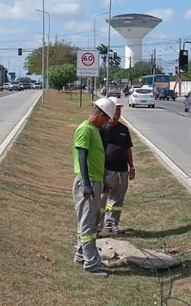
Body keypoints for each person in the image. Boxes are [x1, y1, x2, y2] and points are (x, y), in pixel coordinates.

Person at [72, 97, 116, 278]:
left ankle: (80, 255)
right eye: (106, 119)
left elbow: (96, 158)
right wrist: (87, 185)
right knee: (88, 223)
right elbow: (82, 157)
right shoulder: (85, 129)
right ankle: (91, 264)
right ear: (99, 114)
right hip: (87, 182)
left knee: (90, 220)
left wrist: (103, 181)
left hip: (95, 181)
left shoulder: (94, 130)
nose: (106, 123)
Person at [99, 96, 135, 235]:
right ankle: (97, 227)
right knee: (102, 199)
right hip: (107, 170)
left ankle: (112, 225)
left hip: (122, 171)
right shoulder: (103, 128)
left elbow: (128, 149)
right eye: (116, 109)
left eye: (120, 109)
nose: (119, 112)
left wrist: (131, 167)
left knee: (118, 199)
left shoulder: (123, 129)